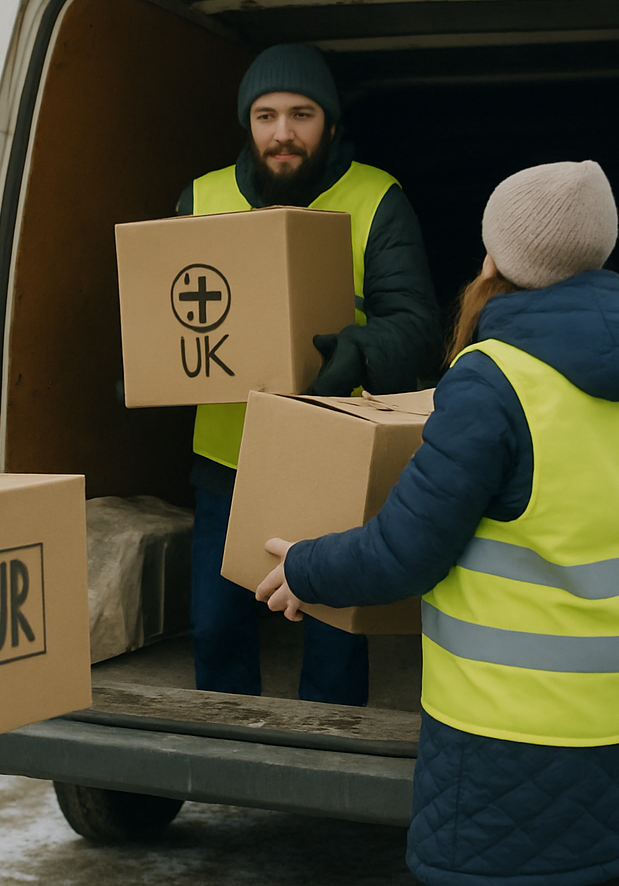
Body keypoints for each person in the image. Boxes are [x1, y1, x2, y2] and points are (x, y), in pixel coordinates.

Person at [257, 160, 619, 885]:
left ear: (498, 259)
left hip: (509, 731)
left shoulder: (495, 379)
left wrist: (303, 567)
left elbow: (404, 553)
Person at [176, 42, 441, 706]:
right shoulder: (200, 197)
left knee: (332, 631)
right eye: (266, 116)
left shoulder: (377, 197)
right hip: (225, 459)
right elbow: (166, 314)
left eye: (301, 114)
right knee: (214, 627)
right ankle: (229, 759)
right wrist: (153, 369)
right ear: (248, 122)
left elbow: (417, 324)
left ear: (328, 122)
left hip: (334, 457)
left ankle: (328, 764)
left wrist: (362, 348)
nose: (283, 133)